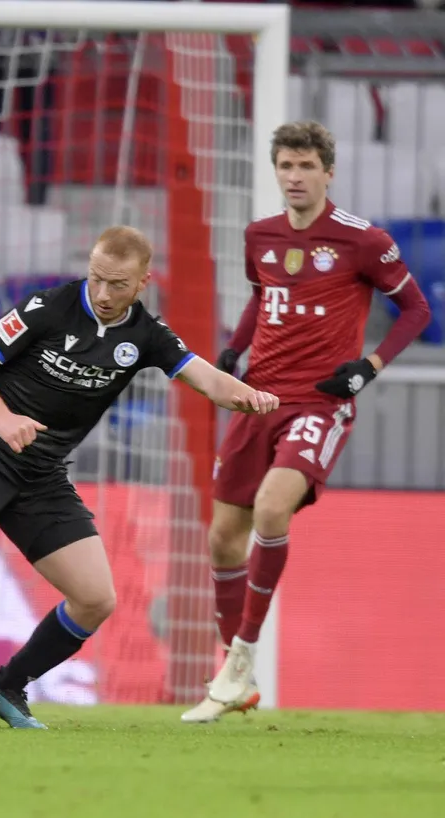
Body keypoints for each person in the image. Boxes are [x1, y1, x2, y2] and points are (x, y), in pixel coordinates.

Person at [0, 226, 280, 728]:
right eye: (97, 279)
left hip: (41, 472)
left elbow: (207, 379)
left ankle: (7, 686)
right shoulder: (49, 307)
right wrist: (3, 418)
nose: (104, 294)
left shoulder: (146, 334)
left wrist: (252, 395)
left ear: (143, 282)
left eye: (118, 285)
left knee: (95, 598)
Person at [182, 121, 431, 723]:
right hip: (259, 398)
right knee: (221, 538)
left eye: (305, 167)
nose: (294, 178)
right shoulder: (260, 235)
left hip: (320, 400)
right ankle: (233, 674)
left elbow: (416, 309)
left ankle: (242, 657)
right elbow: (260, 296)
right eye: (286, 167)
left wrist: (366, 368)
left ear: (328, 172)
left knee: (272, 509)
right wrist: (234, 351)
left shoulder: (362, 240)